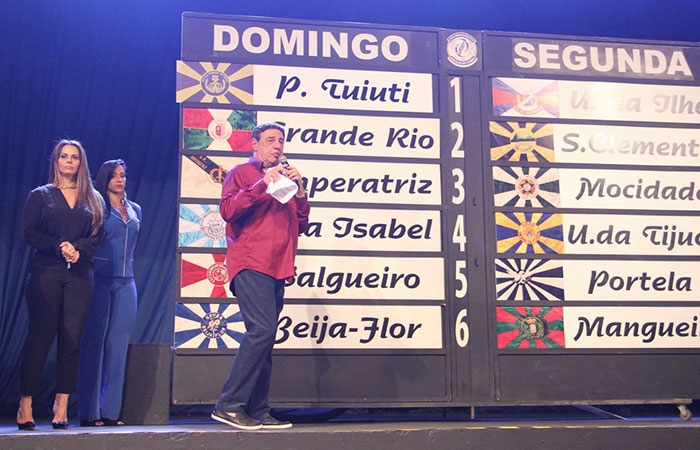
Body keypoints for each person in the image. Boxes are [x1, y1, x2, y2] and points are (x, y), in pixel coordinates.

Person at [211, 122, 310, 431]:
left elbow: (302, 223)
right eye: (270, 140)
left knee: (265, 340)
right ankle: (228, 404)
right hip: (251, 262)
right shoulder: (242, 173)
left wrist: (301, 191)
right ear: (254, 144)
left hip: (278, 267)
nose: (277, 146)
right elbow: (227, 210)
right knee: (262, 331)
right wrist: (262, 184)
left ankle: (257, 409)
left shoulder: (286, 180)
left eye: (281, 141)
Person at [17, 139, 104, 430]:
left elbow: (98, 236)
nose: (69, 161)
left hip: (80, 274)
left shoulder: (92, 198)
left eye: (74, 157)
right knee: (40, 337)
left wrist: (79, 249)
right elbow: (29, 233)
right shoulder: (40, 196)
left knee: (72, 339)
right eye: (64, 156)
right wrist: (59, 246)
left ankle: (61, 404)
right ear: (55, 161)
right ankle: (26, 403)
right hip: (46, 272)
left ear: (81, 163)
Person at [77, 159, 141, 427]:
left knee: (118, 347)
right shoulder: (96, 207)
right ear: (104, 179)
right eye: (114, 176)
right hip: (100, 278)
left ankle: (111, 411)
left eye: (123, 175)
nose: (119, 180)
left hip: (127, 281)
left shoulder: (135, 209)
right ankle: (89, 412)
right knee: (94, 344)